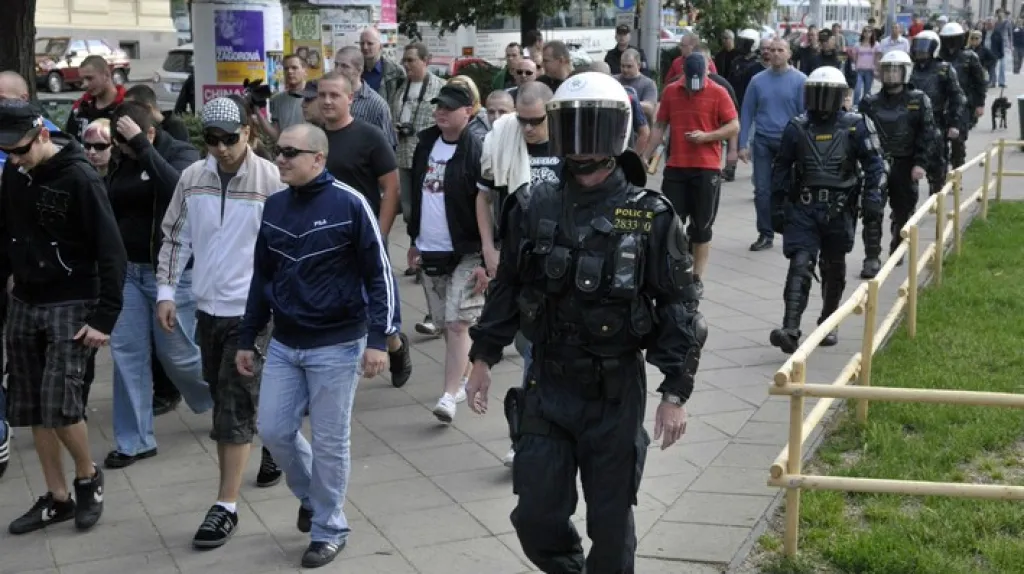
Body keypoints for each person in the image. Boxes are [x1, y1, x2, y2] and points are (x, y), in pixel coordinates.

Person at [465, 72, 704, 573]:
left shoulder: (648, 214)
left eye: (594, 128)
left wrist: (675, 392)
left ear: (618, 133)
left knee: (611, 525)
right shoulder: (531, 204)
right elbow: (508, 285)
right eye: (573, 127)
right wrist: (482, 356)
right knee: (535, 517)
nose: (582, 144)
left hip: (613, 394)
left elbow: (680, 306)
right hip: (547, 384)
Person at [241, 124, 397, 569]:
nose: (280, 158)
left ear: (318, 159)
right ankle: (313, 497)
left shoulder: (350, 203)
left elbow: (380, 274)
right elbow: (262, 276)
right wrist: (247, 336)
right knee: (273, 430)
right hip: (286, 342)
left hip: (339, 344)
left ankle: (329, 529)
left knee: (330, 442)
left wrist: (379, 339)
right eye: (278, 150)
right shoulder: (274, 206)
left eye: (291, 152)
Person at [156, 97, 285, 549]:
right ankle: (277, 441)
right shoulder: (193, 177)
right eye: (212, 140)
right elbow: (176, 236)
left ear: (248, 132)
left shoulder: (271, 179)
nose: (222, 148)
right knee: (226, 392)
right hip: (207, 308)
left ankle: (225, 505)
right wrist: (167, 291)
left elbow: (286, 244)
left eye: (229, 138)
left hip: (253, 313)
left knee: (232, 405)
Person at [0, 100, 127, 534]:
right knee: (34, 406)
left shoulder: (80, 177)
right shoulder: (14, 172)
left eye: (20, 151)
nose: (15, 160)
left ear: (42, 135)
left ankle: (88, 478)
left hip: (72, 302)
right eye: (7, 153)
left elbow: (112, 252)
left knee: (60, 405)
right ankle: (57, 499)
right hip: (25, 301)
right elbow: (4, 234)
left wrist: (105, 318)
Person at [103, 101, 212, 469]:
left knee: (177, 355)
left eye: (126, 142)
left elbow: (180, 191)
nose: (121, 150)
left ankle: (225, 395)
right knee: (126, 353)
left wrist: (143, 149)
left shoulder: (181, 154)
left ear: (149, 132)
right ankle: (134, 441)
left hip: (171, 273)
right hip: (128, 273)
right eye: (118, 143)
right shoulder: (122, 159)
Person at [768, 67, 885, 353]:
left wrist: (873, 199)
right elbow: (781, 168)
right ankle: (790, 329)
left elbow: (876, 165)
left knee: (833, 267)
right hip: (804, 206)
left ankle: (829, 321)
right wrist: (776, 207)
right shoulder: (797, 127)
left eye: (826, 94)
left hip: (839, 208)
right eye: (815, 93)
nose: (820, 101)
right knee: (800, 264)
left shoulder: (856, 125)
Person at [476, 81, 562, 468]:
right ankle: (529, 432)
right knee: (529, 350)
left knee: (537, 356)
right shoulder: (505, 143)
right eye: (522, 121)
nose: (528, 129)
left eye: (536, 121)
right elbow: (484, 197)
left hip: (559, 267)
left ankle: (532, 434)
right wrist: (488, 247)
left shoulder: (569, 147)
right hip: (518, 264)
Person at [318, 72, 413, 388]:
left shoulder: (369, 136)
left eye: (334, 95)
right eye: (322, 95)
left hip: (363, 237)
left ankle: (395, 345)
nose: (327, 101)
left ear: (350, 98)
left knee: (375, 302)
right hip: (324, 238)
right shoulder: (312, 138)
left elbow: (392, 187)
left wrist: (379, 233)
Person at [406, 83, 487, 423]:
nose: (441, 112)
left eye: (449, 107)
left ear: (468, 111)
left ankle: (449, 395)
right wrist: (414, 239)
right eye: (439, 106)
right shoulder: (426, 142)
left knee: (456, 324)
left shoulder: (477, 148)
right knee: (446, 324)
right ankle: (465, 371)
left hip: (467, 250)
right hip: (431, 248)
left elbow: (488, 204)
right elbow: (417, 193)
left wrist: (488, 255)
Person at [643, 53, 739, 298]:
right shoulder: (671, 92)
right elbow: (660, 126)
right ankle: (671, 270)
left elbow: (733, 125)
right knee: (670, 222)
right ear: (683, 73)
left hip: (706, 168)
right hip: (677, 166)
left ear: (707, 72)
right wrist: (645, 155)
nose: (693, 87)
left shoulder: (719, 92)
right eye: (689, 80)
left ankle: (696, 277)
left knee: (702, 226)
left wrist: (707, 137)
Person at [858, 50, 937, 278]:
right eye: (887, 70)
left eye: (896, 70)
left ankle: (898, 247)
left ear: (905, 72)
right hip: (876, 164)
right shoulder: (869, 102)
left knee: (903, 211)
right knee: (872, 210)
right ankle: (872, 257)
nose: (891, 74)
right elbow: (859, 135)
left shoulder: (918, 100)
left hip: (905, 164)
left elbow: (927, 133)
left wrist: (920, 163)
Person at [738, 39, 807, 252]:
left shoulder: (800, 80)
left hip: (790, 142)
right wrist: (742, 144)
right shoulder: (757, 81)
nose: (775, 53)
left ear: (789, 54)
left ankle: (794, 231)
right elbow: (747, 112)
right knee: (762, 190)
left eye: (780, 50)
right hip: (763, 141)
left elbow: (806, 115)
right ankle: (765, 233)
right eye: (772, 50)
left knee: (792, 189)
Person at [908, 30, 966, 195]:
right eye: (918, 47)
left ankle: (936, 199)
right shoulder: (909, 69)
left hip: (936, 123)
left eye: (924, 47)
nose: (920, 51)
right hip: (911, 123)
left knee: (937, 166)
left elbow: (957, 97)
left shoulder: (944, 69)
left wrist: (954, 123)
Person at [939, 22, 987, 169]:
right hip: (940, 105)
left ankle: (957, 173)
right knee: (939, 144)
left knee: (958, 141)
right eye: (948, 39)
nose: (951, 43)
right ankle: (941, 176)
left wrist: (980, 104)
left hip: (963, 105)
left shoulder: (970, 57)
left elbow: (980, 82)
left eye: (954, 38)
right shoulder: (938, 57)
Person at [65, 55, 127, 141]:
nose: (85, 84)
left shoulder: (127, 106)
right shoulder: (80, 108)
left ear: (107, 75)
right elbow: (69, 141)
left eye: (89, 78)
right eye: (82, 80)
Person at [253, 54, 308, 140]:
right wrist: (258, 112)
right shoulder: (277, 100)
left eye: (294, 68)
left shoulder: (315, 98)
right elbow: (276, 135)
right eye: (286, 68)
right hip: (285, 147)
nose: (289, 71)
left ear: (305, 71)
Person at [124, 84, 190, 142]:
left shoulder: (175, 127)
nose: (128, 113)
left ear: (148, 108)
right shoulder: (143, 126)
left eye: (132, 108)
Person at [359, 27, 406, 104]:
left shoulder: (396, 71)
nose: (365, 47)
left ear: (380, 46)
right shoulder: (354, 70)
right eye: (362, 43)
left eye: (370, 43)